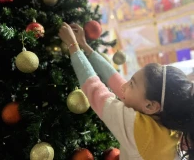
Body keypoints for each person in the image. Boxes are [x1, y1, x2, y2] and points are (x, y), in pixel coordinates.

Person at [58, 22, 194, 160]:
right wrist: (85, 46)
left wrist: (73, 46)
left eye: (132, 84)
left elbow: (96, 91)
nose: (124, 87)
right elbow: (118, 82)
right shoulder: (168, 125)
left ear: (151, 106)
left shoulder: (143, 131)